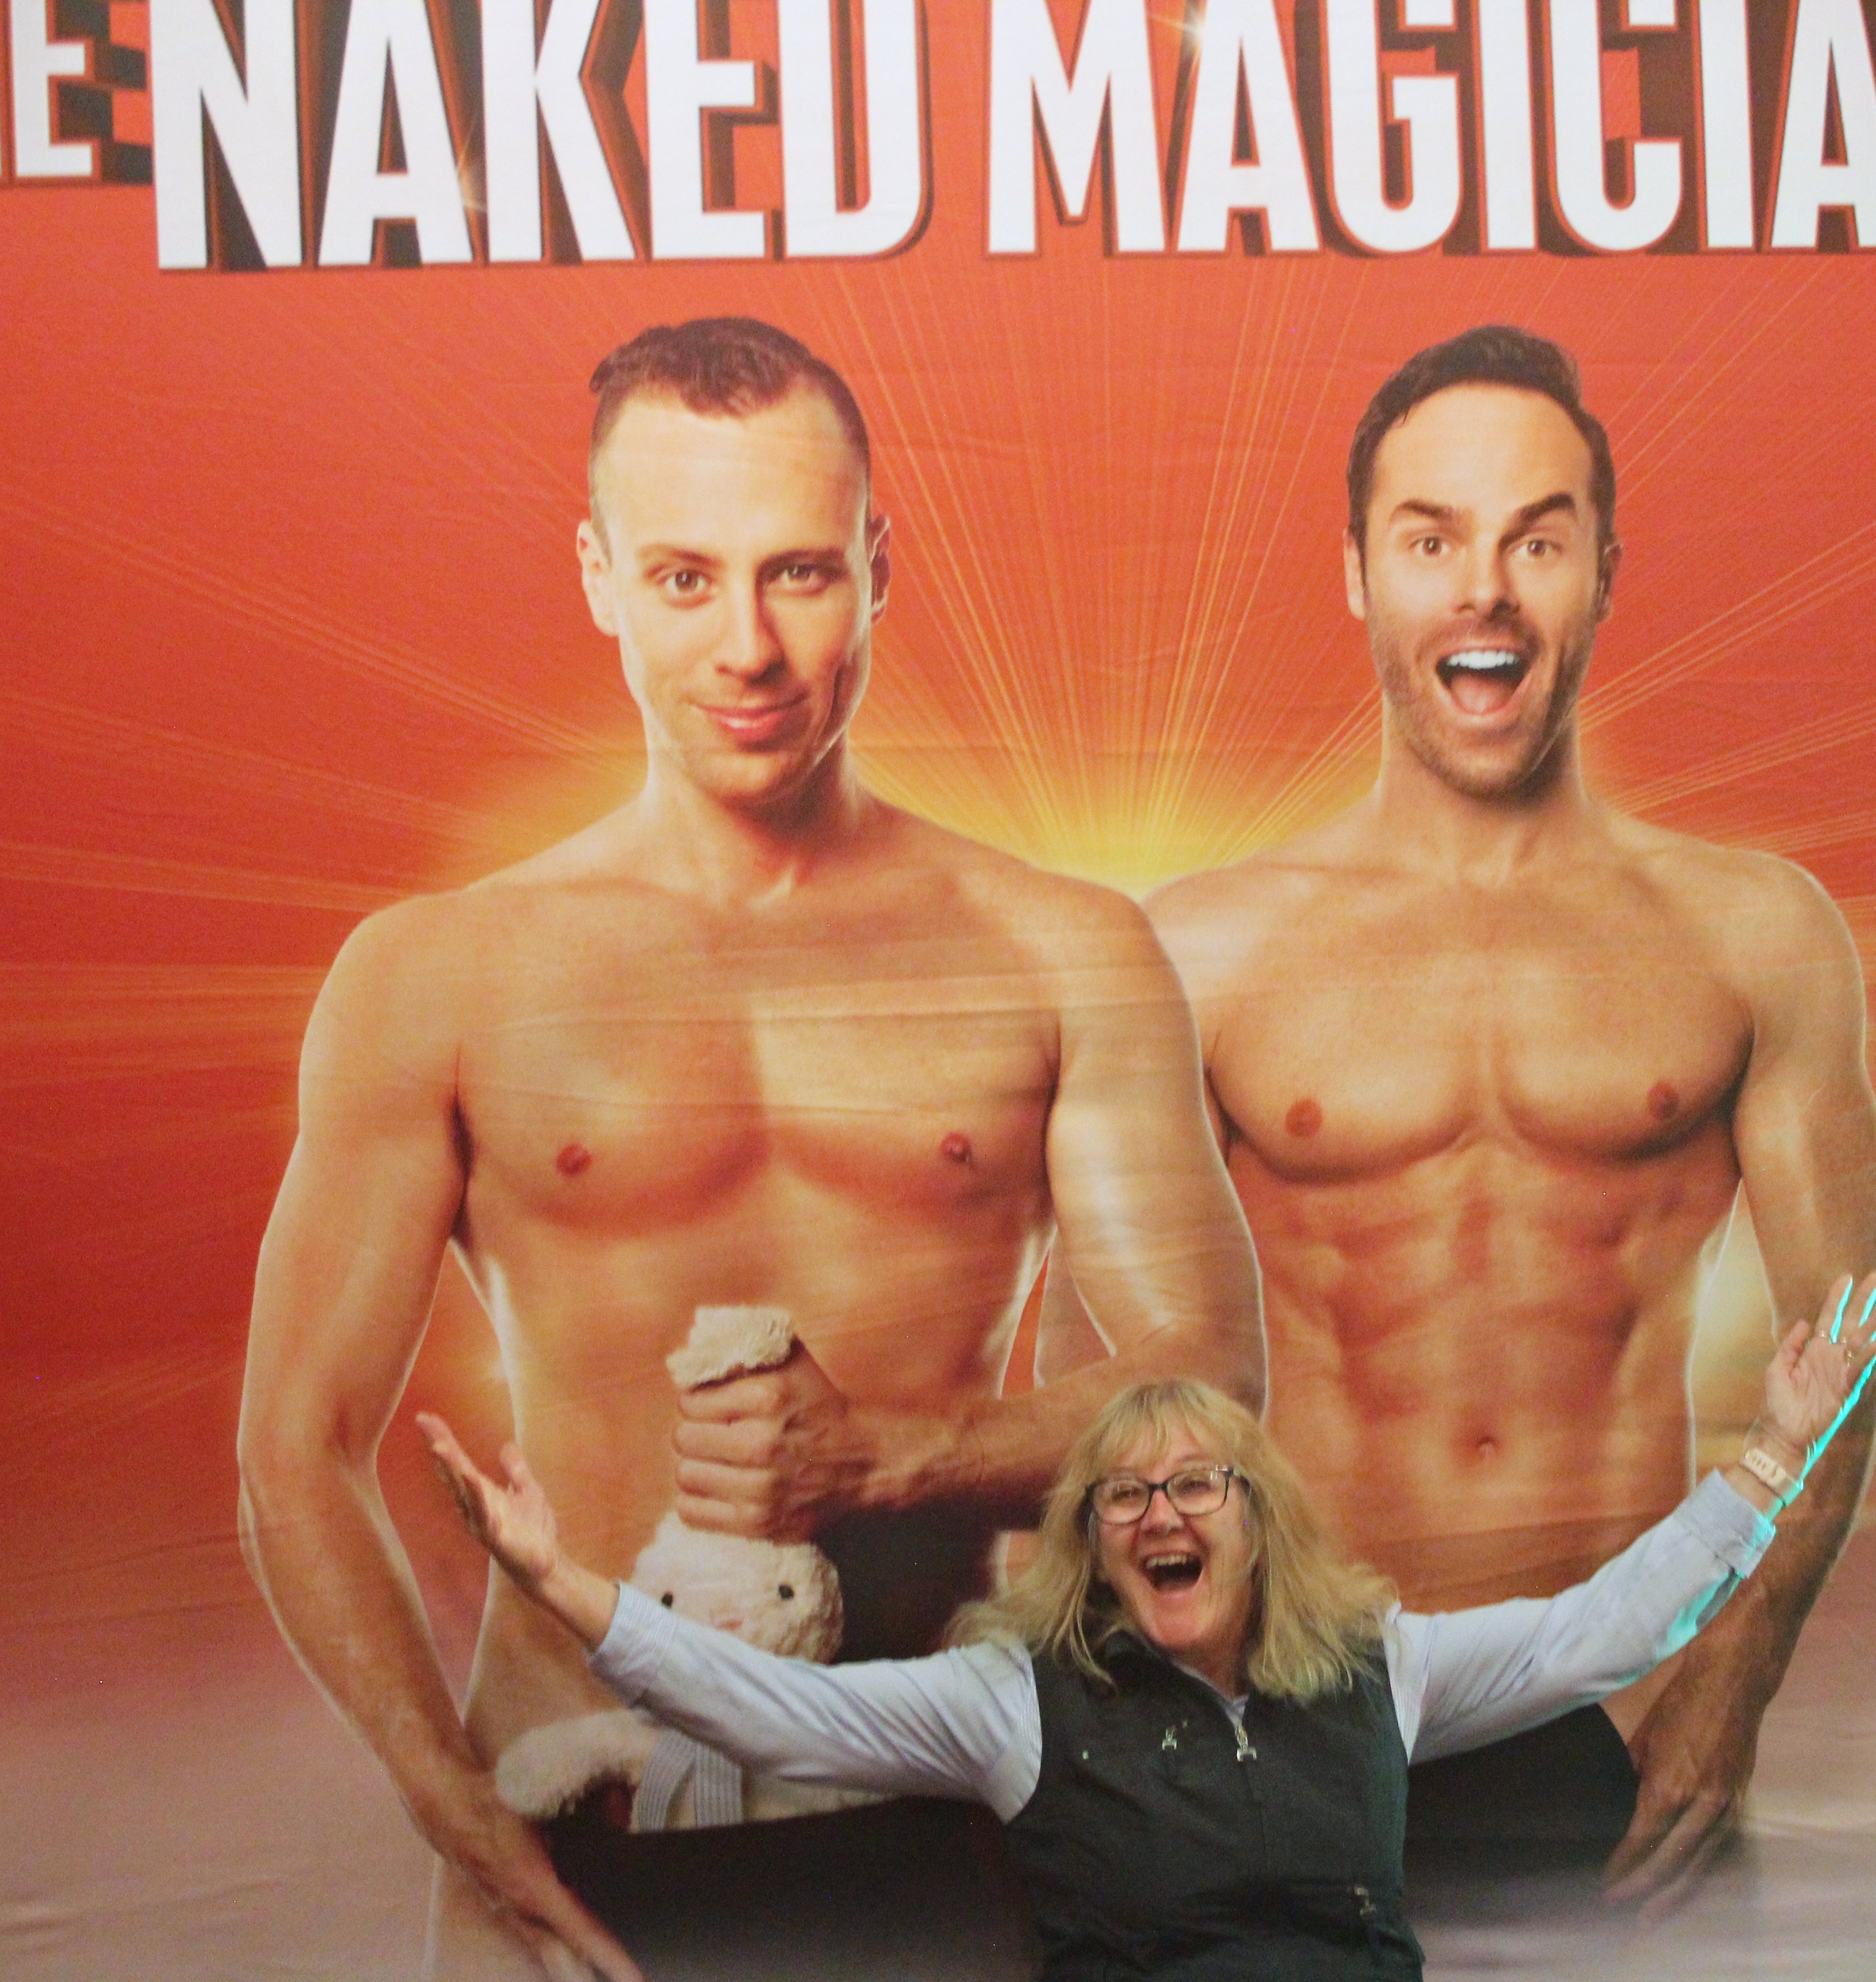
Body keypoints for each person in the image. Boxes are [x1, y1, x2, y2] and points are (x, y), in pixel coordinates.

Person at [237, 319, 1262, 1981]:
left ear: (877, 568)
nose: (749, 647)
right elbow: (297, 1442)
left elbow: (1207, 1379)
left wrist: (889, 1463)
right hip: (575, 1808)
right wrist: (455, 1806)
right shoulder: (436, 976)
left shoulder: (1059, 950)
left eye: (798, 573)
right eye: (683, 579)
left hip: (944, 1805)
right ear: (598, 579)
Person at [1040, 324, 1876, 1908]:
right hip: (1282, 1719)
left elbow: (1847, 1338)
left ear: (1603, 575)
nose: (1483, 589)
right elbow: (1081, 1398)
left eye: (1536, 541)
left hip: (1616, 1722)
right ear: (1357, 574)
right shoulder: (1202, 949)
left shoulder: (1750, 932)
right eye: (1430, 540)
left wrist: (1731, 1680)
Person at [423, 1279, 1876, 1980]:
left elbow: (1599, 1634)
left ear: (1255, 1518)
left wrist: (1774, 1456)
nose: (1158, 1513)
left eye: (1194, 1485)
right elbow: (771, 1713)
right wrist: (559, 1582)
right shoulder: (1014, 1702)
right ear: (1091, 1543)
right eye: (1121, 1496)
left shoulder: (1383, 1672)